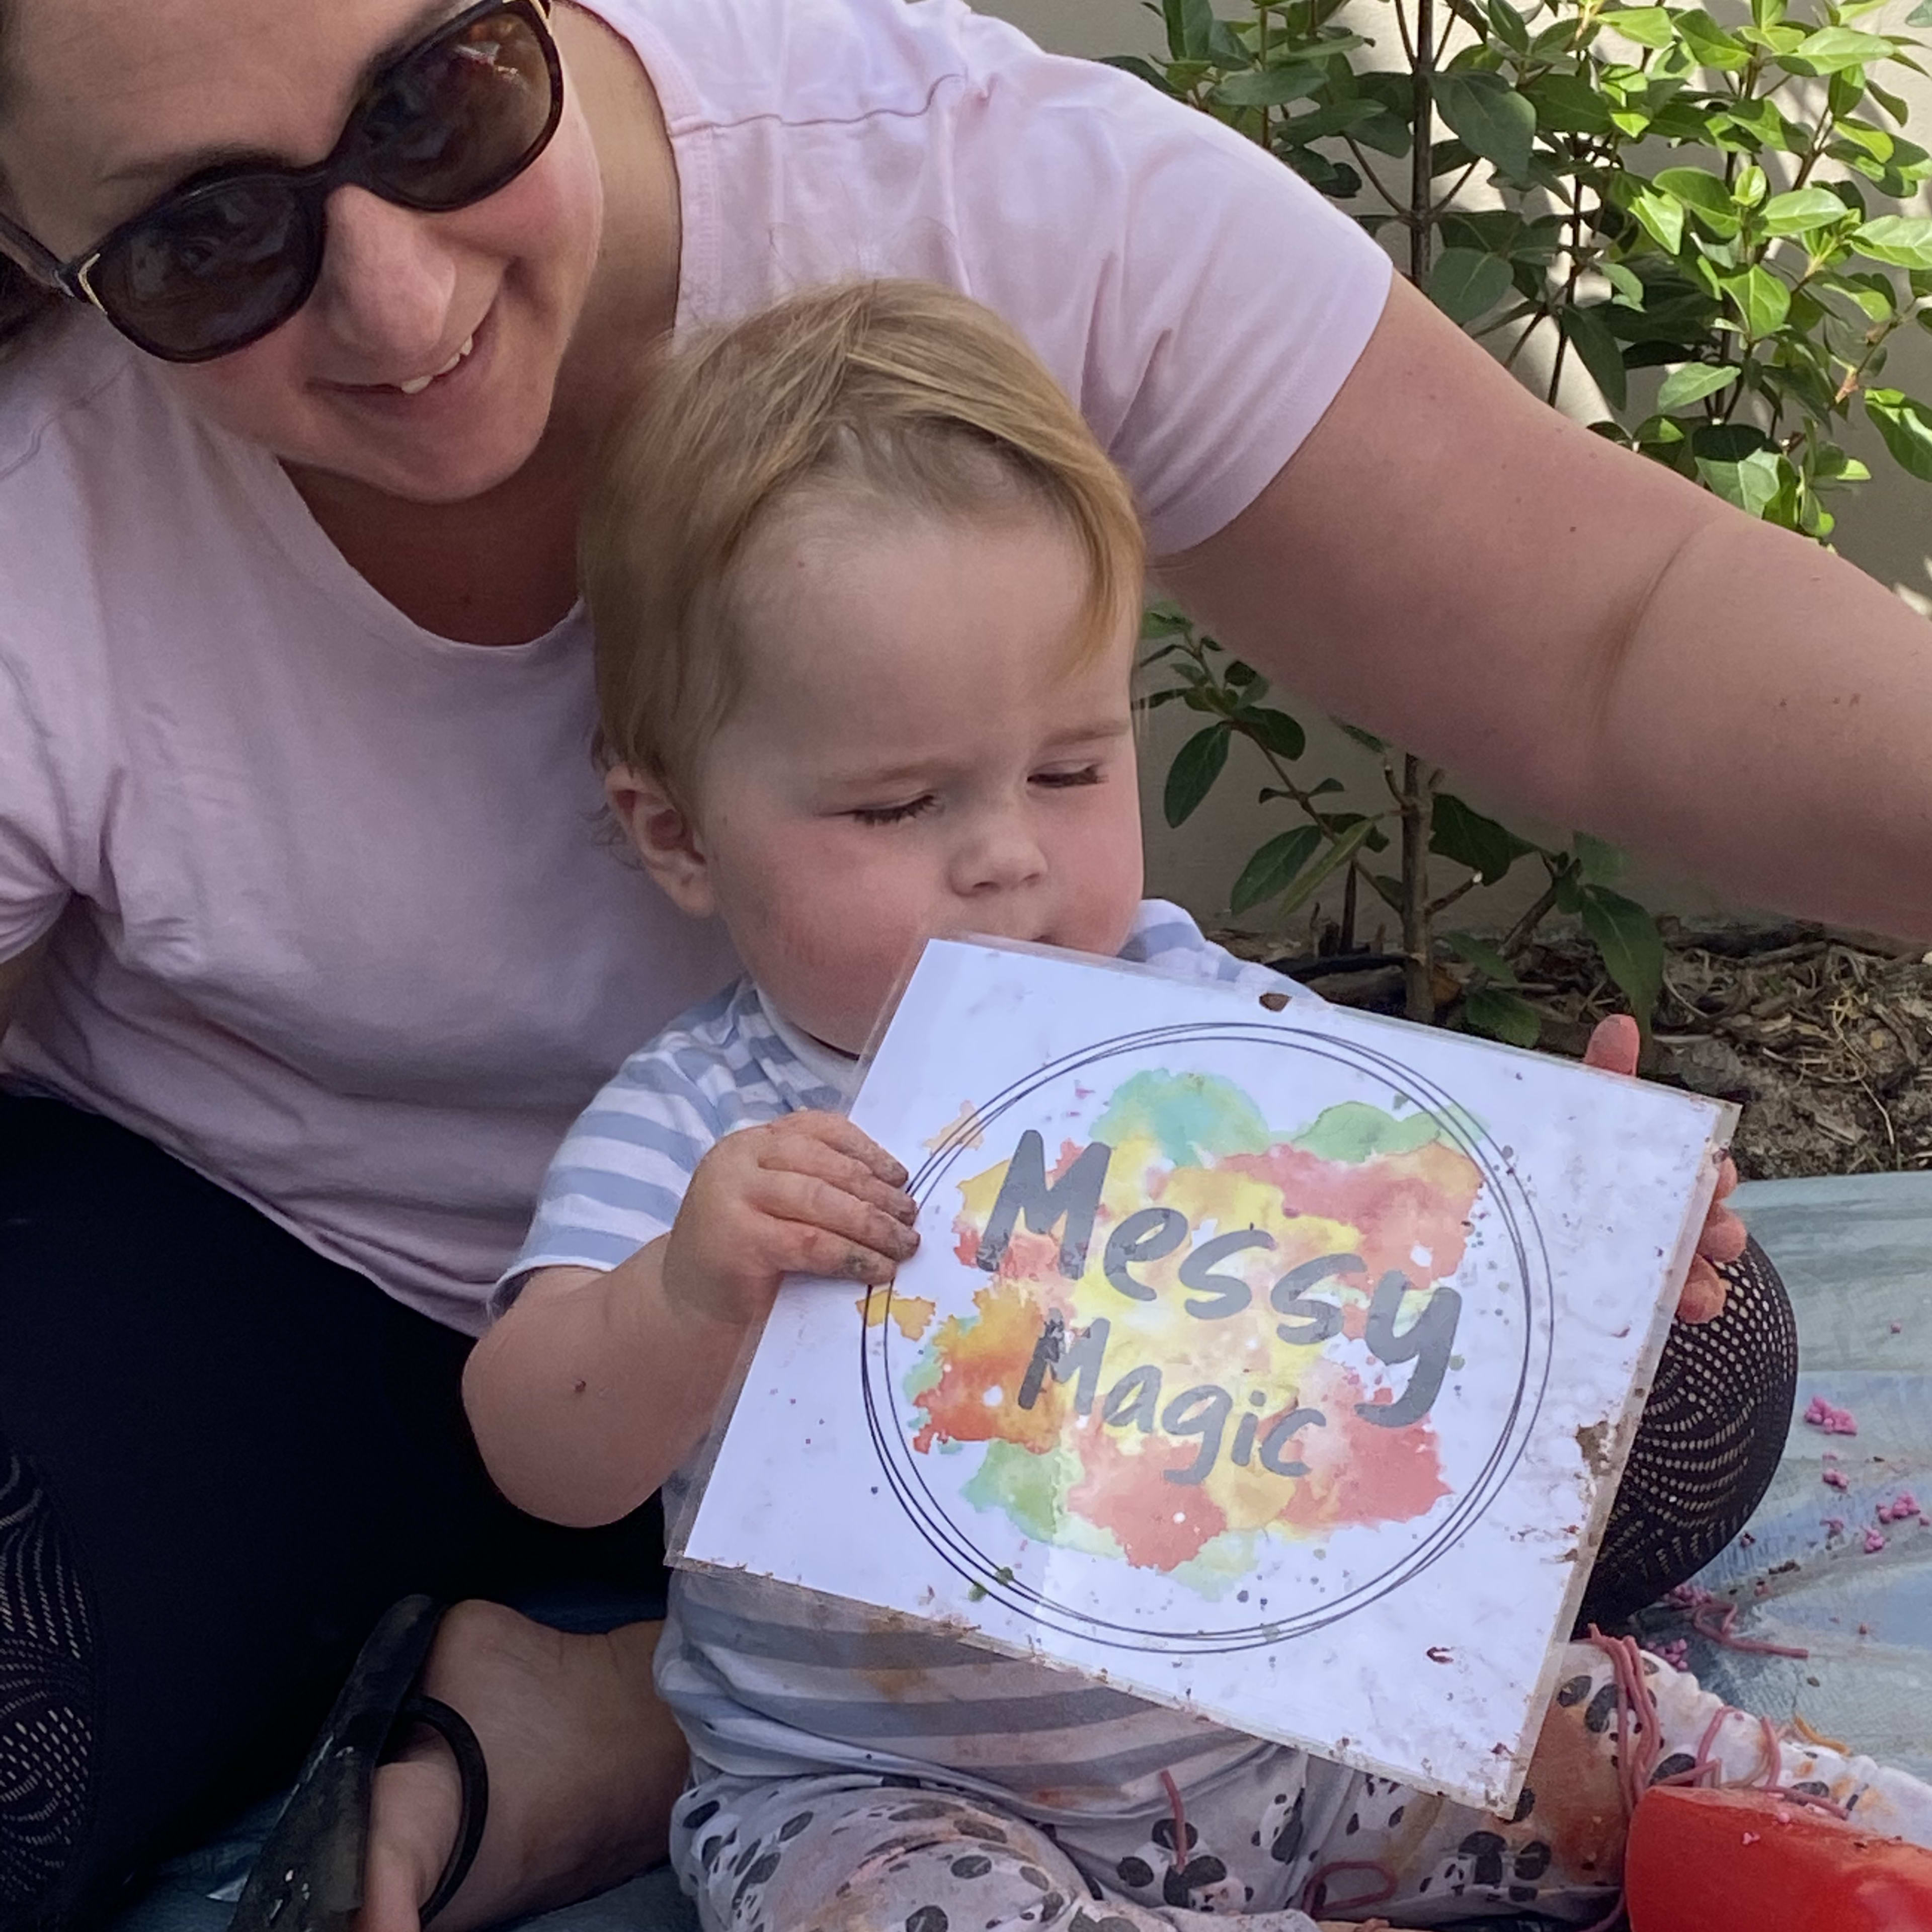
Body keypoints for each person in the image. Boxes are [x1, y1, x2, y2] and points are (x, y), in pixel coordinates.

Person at [0, 0, 1926, 1923]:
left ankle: (635, 1719)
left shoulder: (975, 189)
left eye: (441, 99)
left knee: (1674, 1400)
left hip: (1130, 1594)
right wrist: (684, 1301)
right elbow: (553, 1421)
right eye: (204, 239)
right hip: (354, 1310)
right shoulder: (55, 515)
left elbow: (1612, 625)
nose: (406, 304)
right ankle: (750, 1720)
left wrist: (1556, 1245)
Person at [462, 278, 1932, 1931]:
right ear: (676, 835)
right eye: (892, 803)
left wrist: (1596, 1260)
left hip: (1306, 1731)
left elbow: (1419, 1312)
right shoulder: (705, 1118)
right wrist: (685, 1297)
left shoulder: (1219, 1032)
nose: (1008, 853)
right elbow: (541, 1454)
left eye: (1074, 769)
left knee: (1618, 1738)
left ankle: (1883, 1864)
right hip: (887, 1802)